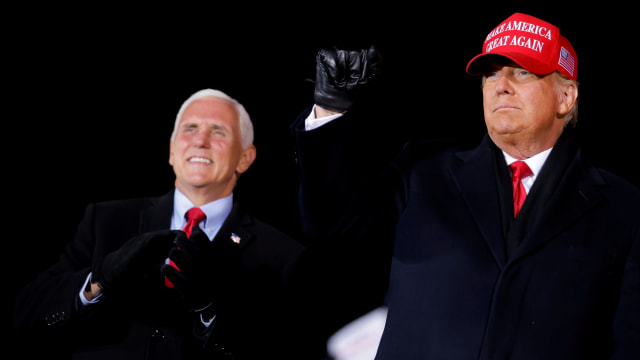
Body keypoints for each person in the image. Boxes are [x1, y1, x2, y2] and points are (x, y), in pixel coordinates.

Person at [291, 13, 640, 359]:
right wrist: (331, 108)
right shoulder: (423, 170)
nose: (501, 85)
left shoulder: (624, 208)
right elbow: (329, 224)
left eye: (522, 72)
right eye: (491, 74)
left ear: (566, 97)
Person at [13, 88, 324, 359]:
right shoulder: (105, 221)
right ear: (172, 150)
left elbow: (289, 351)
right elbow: (27, 313)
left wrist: (211, 309)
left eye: (218, 131)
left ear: (245, 157)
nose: (201, 141)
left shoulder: (283, 256)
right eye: (190, 129)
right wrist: (98, 279)